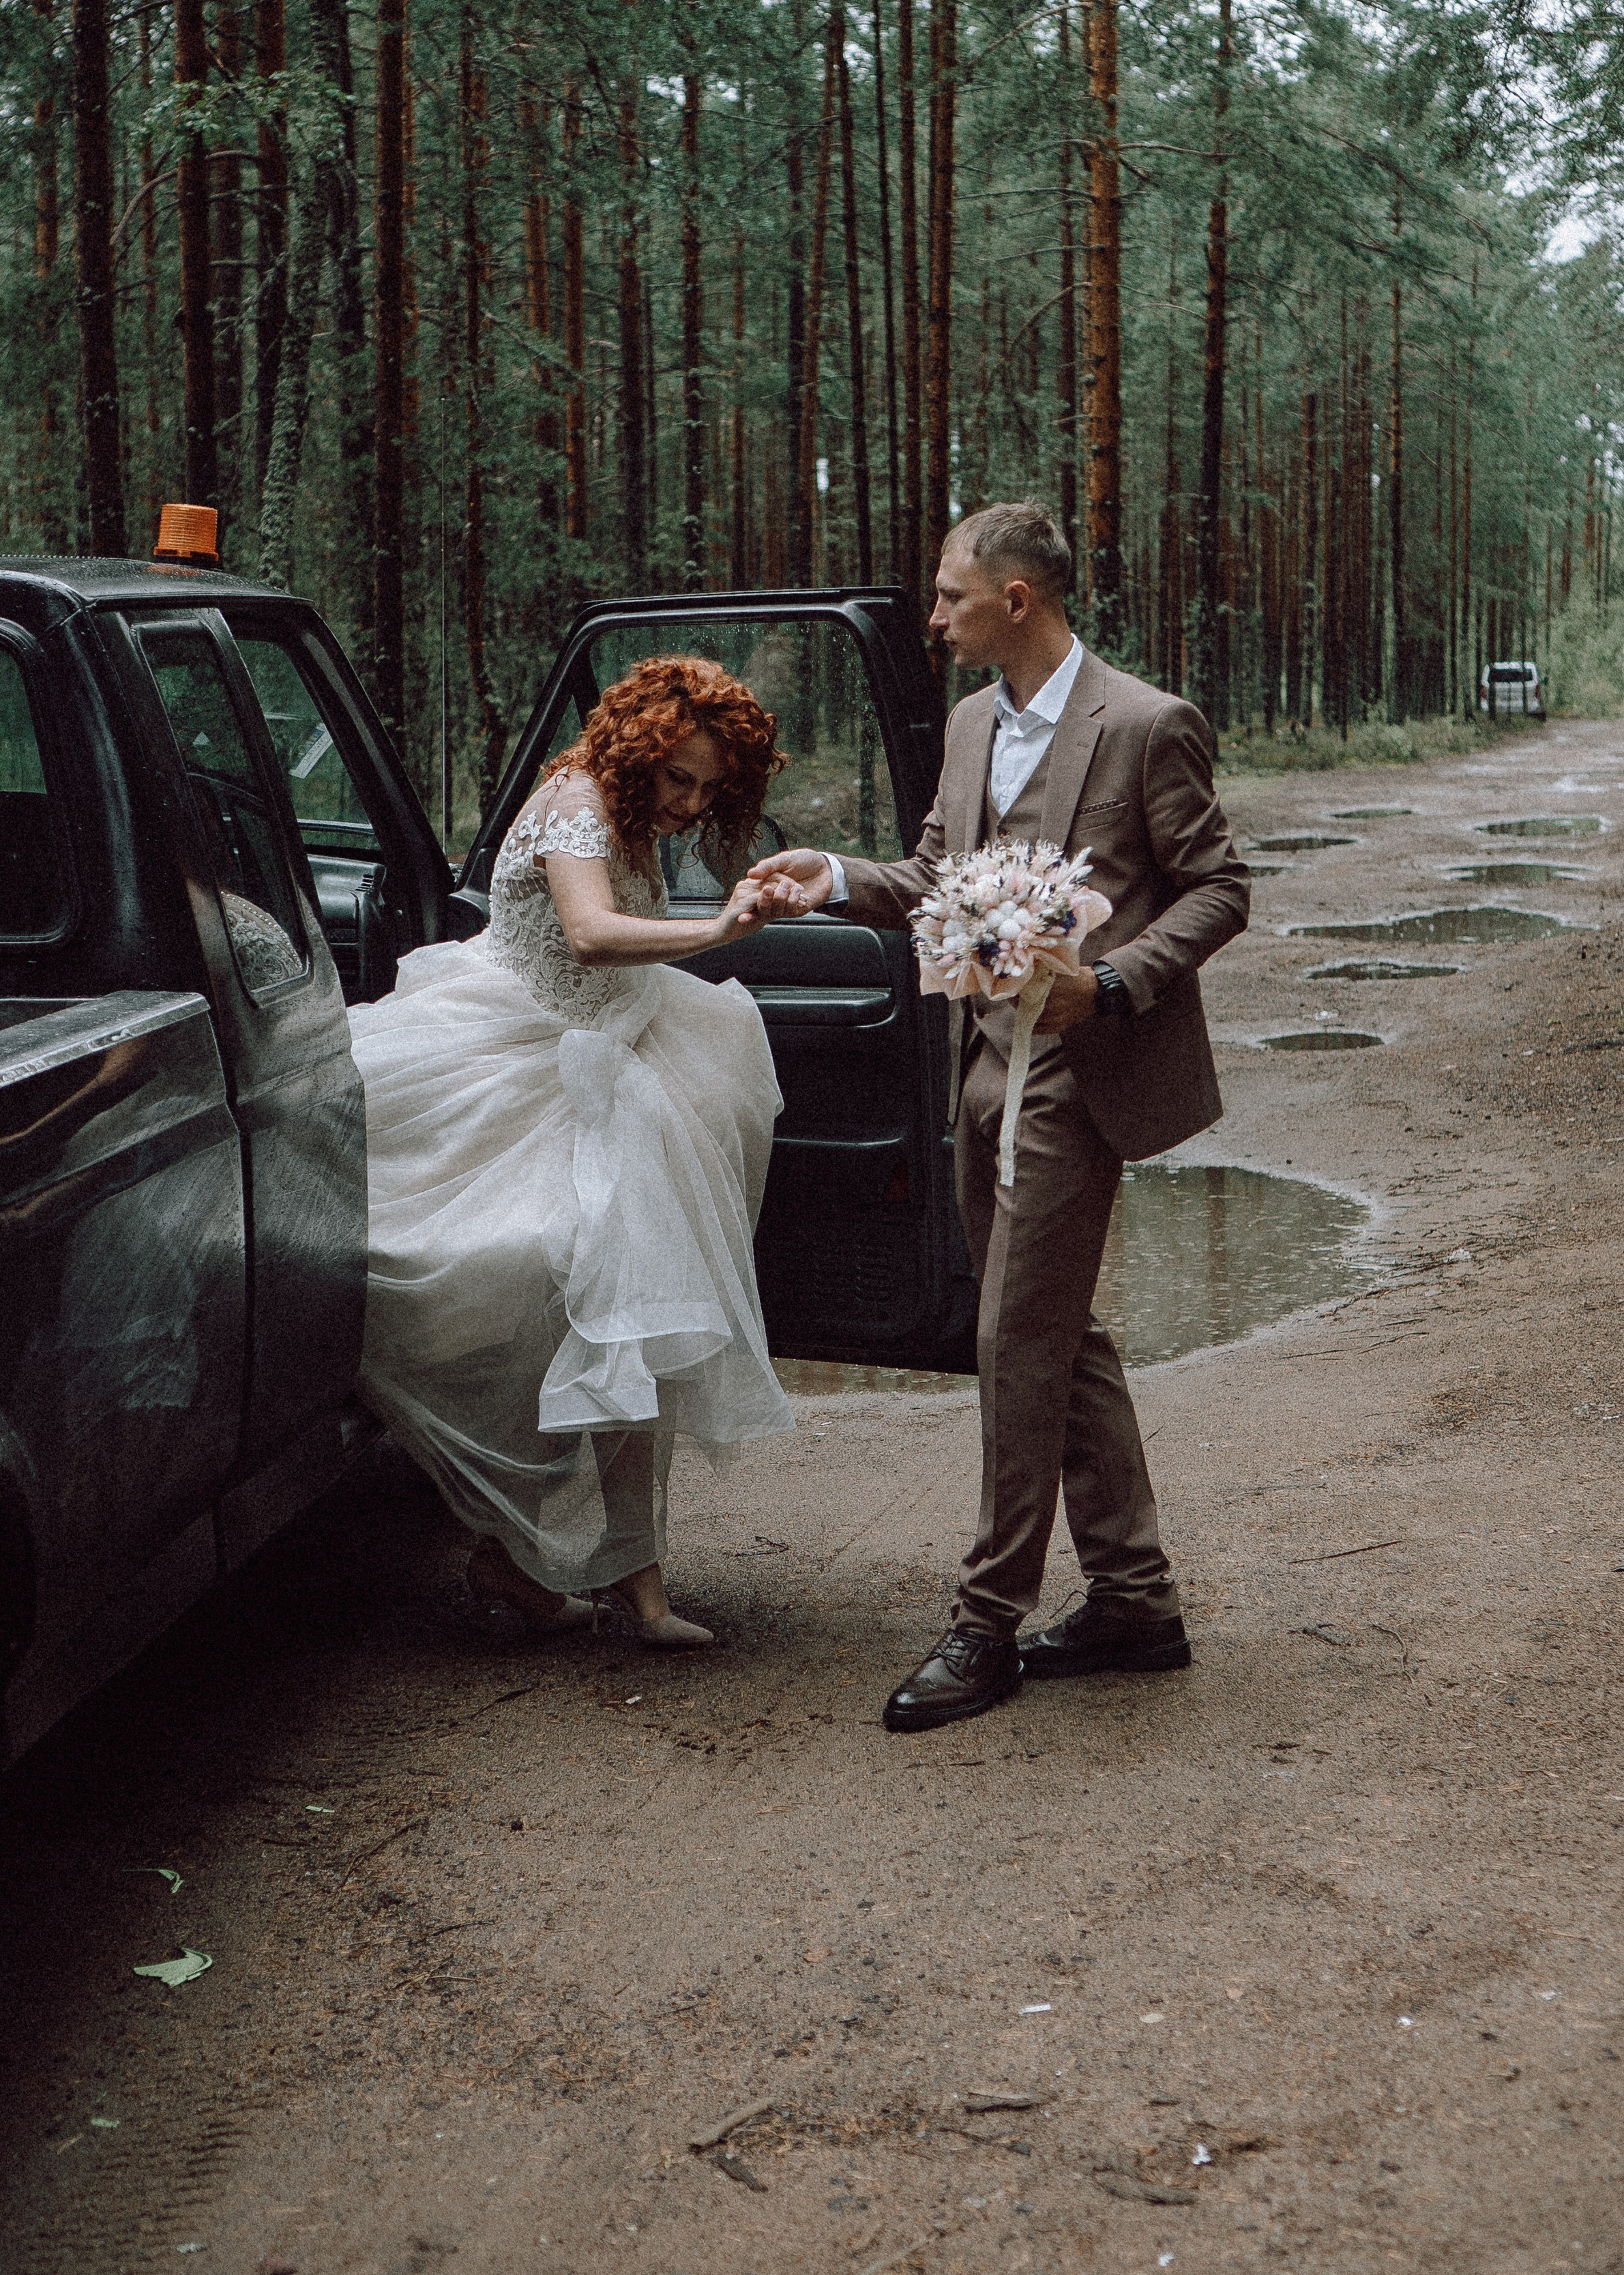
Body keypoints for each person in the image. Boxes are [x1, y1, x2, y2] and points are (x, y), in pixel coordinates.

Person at [752, 504, 1249, 1729]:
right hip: (984, 1067)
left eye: (950, 596)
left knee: (1014, 1344)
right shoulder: (973, 724)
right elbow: (932, 877)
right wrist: (834, 879)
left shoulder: (1142, 724)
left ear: (1017, 601)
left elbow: (1221, 886)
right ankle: (1136, 1603)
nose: (934, 617)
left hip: (1086, 1078)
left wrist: (1116, 981)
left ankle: (987, 1624)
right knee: (1051, 1329)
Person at [349, 656, 812, 1647]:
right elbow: (591, 933)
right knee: (559, 1301)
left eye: (707, 789)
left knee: (627, 1316)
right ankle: (531, 1561)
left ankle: (617, 1580)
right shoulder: (574, 800)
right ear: (638, 748)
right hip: (518, 1062)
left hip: (620, 1056)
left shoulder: (636, 812)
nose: (688, 804)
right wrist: (719, 928)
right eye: (677, 777)